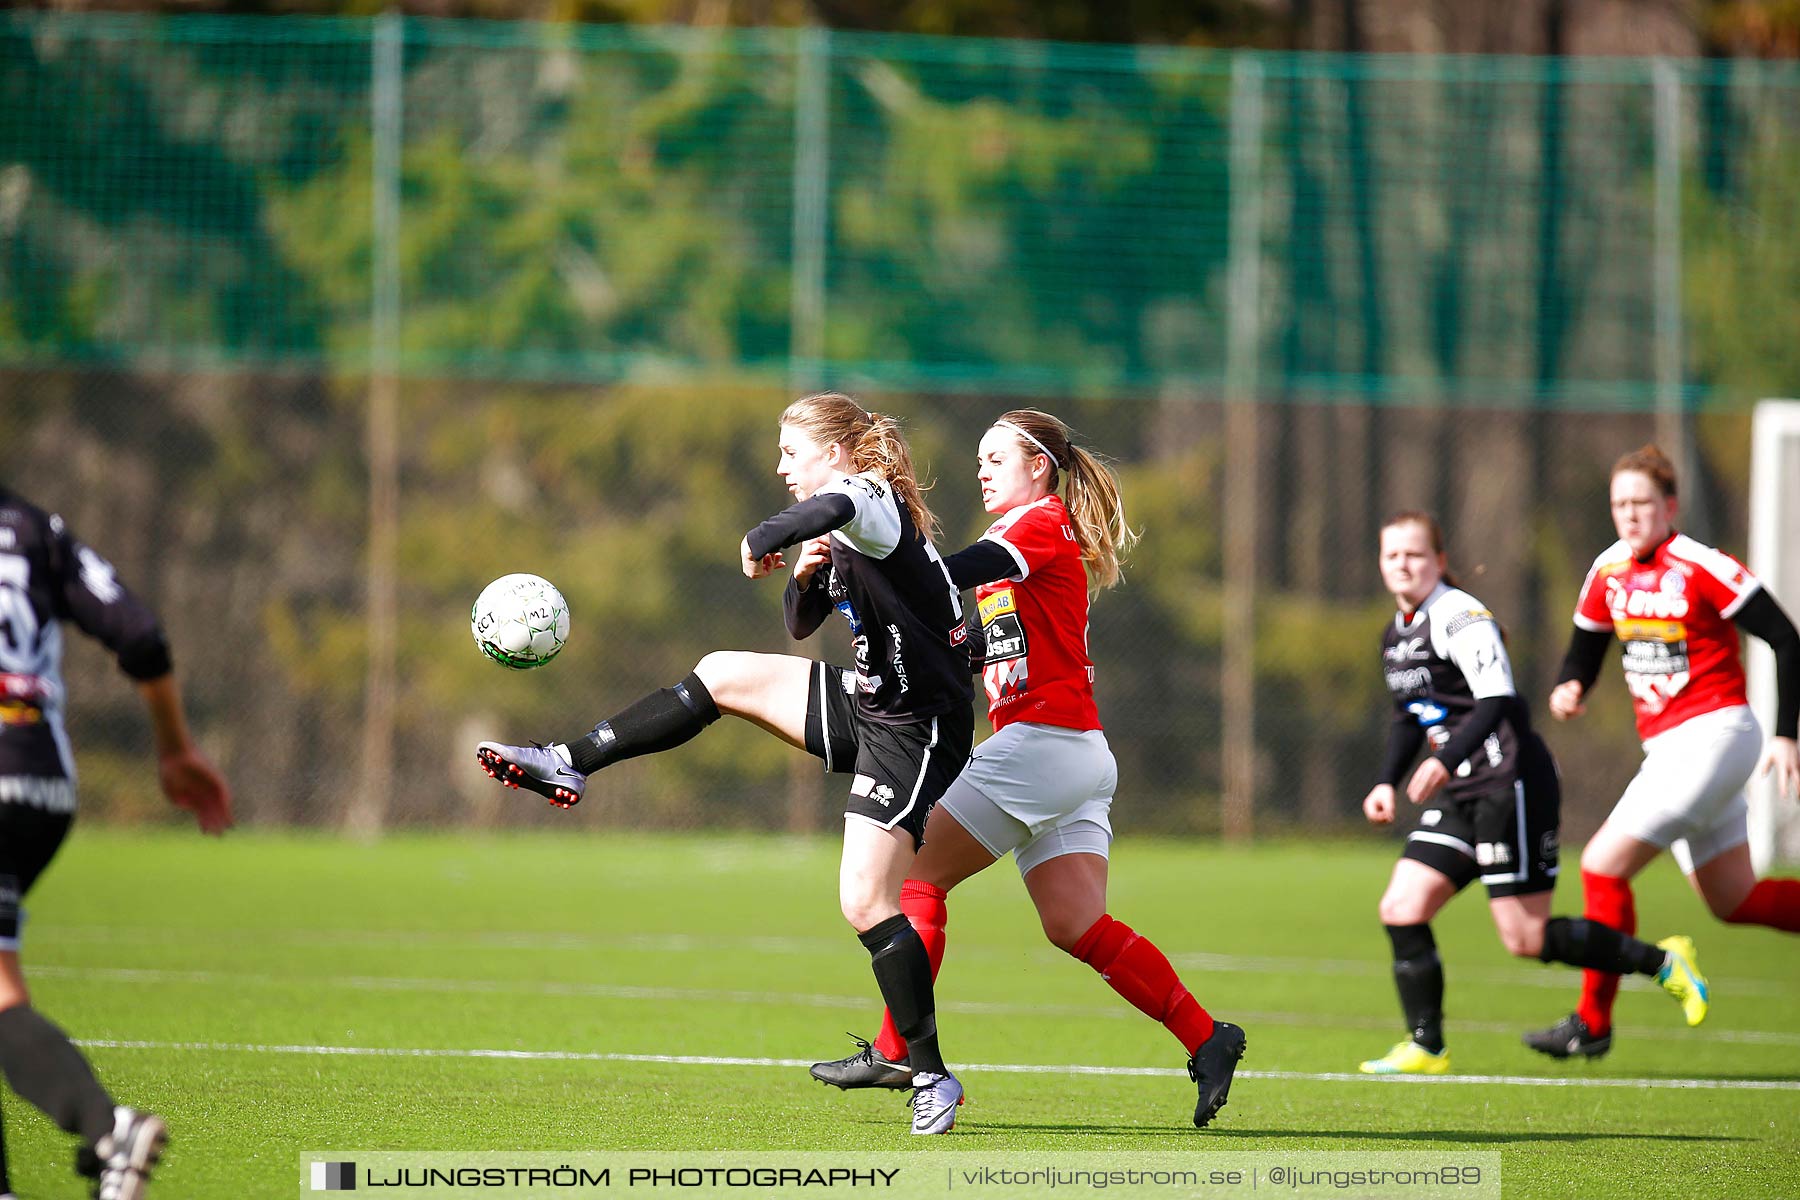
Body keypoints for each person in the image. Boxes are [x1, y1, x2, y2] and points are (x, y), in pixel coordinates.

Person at [475, 393, 975, 1135]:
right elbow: (800, 626)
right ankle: (566, 761)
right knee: (722, 673)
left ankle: (929, 1074)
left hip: (920, 728)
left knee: (866, 901)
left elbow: (807, 514)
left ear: (834, 453)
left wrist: (762, 538)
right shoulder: (844, 521)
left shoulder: (866, 495)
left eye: (789, 450)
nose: (780, 466)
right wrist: (805, 571)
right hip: (873, 703)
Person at [805, 410, 1247, 1128]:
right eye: (978, 459)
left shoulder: (1036, 523)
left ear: (1038, 467)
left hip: (1041, 747)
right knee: (1076, 924)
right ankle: (1209, 1037)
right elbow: (969, 636)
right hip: (1073, 753)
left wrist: (892, 566)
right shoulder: (1017, 542)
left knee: (914, 877)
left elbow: (956, 571)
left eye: (995, 457)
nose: (981, 470)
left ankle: (894, 1050)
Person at [1357, 511, 1703, 1075]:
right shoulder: (1395, 633)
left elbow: (1499, 702)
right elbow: (1408, 714)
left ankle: (1664, 961)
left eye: (1415, 554)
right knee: (1401, 906)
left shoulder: (1460, 616)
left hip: (1509, 783)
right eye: (1392, 555)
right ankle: (1426, 1045)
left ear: (1440, 561)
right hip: (1461, 791)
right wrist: (1384, 781)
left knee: (1525, 936)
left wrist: (1443, 761)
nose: (1403, 565)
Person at [1524, 445, 1800, 1060]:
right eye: (1619, 503)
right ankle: (1596, 1019)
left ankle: (1592, 1023)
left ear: (1669, 506)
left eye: (1642, 503)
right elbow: (1586, 645)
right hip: (1672, 749)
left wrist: (1787, 733)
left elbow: (1785, 638)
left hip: (1717, 735)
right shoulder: (1610, 569)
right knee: (1735, 900)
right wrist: (1573, 686)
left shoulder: (1700, 564)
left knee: (1600, 865)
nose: (1629, 514)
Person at [0, 486, 233, 1200]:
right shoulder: (31, 527)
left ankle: (108, 1129)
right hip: (40, 776)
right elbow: (139, 636)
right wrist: (174, 750)